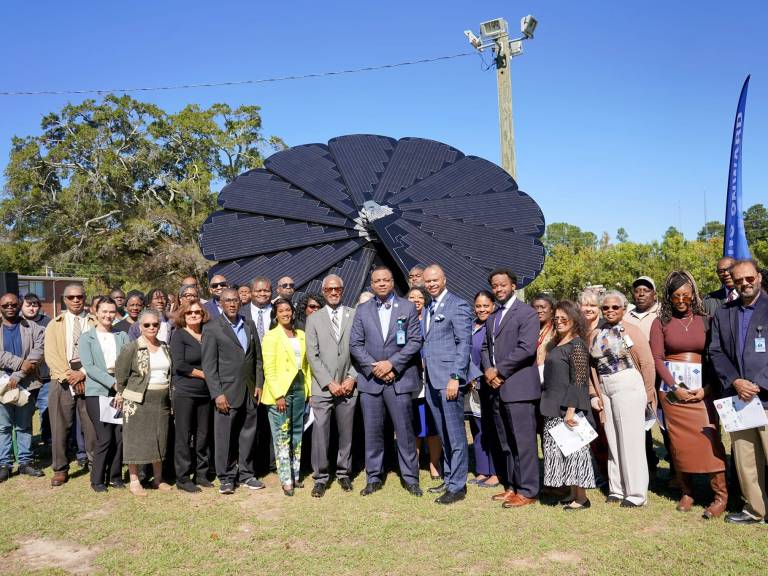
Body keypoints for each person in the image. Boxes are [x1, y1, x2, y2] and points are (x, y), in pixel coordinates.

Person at [650, 271, 728, 518]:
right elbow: (657, 359)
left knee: (710, 441)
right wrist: (675, 388)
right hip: (673, 395)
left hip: (703, 391)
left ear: (693, 294)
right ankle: (687, 491)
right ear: (669, 297)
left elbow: (715, 356)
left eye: (685, 295)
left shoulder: (706, 320)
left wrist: (707, 389)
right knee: (679, 444)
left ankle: (720, 495)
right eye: (676, 296)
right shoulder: (660, 322)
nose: (681, 300)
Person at [350, 266, 423, 497]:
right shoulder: (362, 310)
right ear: (371, 284)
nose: (381, 283)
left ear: (392, 282)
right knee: (372, 432)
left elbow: (415, 341)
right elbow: (355, 344)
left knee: (405, 431)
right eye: (377, 280)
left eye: (385, 280)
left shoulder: (408, 307)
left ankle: (410, 478)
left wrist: (392, 364)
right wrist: (377, 367)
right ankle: (373, 477)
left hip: (399, 379)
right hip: (371, 381)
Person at [710, 259, 768, 524]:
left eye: (750, 278)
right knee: (745, 458)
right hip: (738, 399)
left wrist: (758, 383)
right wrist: (735, 381)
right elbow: (716, 351)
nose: (745, 283)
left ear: (758, 276)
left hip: (764, 396)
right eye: (739, 280)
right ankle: (755, 510)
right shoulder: (724, 312)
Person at [588, 290, 656, 507]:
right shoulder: (596, 332)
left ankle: (636, 494)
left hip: (628, 384)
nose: (610, 311)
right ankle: (617, 489)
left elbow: (646, 363)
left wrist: (648, 393)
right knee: (613, 438)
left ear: (623, 309)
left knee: (631, 440)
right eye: (605, 307)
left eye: (615, 307)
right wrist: (594, 393)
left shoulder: (632, 331)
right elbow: (591, 366)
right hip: (605, 386)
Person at [480, 269, 541, 509]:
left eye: (502, 285)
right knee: (505, 442)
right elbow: (485, 347)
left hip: (519, 388)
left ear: (513, 286)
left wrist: (499, 370)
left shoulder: (526, 313)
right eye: (494, 286)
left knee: (523, 443)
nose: (498, 289)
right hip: (496, 388)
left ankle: (528, 490)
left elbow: (526, 348)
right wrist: (487, 370)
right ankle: (512, 486)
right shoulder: (493, 316)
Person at [201, 287, 264, 495]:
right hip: (226, 393)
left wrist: (259, 384)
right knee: (224, 437)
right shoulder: (212, 328)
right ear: (220, 303)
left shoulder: (249, 324)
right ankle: (226, 477)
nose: (232, 304)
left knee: (248, 435)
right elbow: (209, 367)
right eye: (227, 300)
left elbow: (257, 359)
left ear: (241, 302)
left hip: (249, 391)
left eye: (235, 300)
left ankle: (246, 474)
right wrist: (217, 393)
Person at [420, 265, 473, 504]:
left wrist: (456, 376)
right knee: (443, 435)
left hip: (449, 380)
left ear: (444, 279)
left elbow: (464, 344)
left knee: (455, 435)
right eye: (427, 281)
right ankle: (450, 477)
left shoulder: (458, 305)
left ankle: (458, 486)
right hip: (431, 380)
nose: (431, 284)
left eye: (435, 280)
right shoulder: (429, 307)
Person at [305, 275, 358, 497]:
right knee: (320, 434)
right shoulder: (314, 319)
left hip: (348, 385)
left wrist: (352, 377)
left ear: (343, 290)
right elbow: (312, 355)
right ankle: (321, 477)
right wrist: (329, 382)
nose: (334, 292)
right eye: (330, 289)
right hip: (323, 388)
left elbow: (360, 349)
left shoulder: (354, 315)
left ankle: (344, 473)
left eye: (337, 289)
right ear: (324, 291)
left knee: (346, 433)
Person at [541, 300, 596, 510]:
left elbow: (579, 380)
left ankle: (582, 498)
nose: (560, 322)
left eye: (565, 319)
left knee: (575, 453)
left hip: (568, 409)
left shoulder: (578, 345)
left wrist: (571, 410)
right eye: (556, 319)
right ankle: (572, 493)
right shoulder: (558, 343)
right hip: (552, 406)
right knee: (561, 452)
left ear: (574, 320)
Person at [114, 310, 173, 496]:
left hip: (162, 400)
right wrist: (121, 394)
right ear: (140, 327)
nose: (151, 328)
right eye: (147, 325)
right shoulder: (131, 348)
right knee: (135, 440)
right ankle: (134, 481)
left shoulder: (165, 347)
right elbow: (121, 375)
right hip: (137, 400)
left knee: (159, 438)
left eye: (155, 324)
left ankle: (158, 479)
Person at [44, 283, 97, 487]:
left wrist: (82, 374)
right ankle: (60, 469)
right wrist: (70, 376)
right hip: (62, 382)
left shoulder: (94, 322)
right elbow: (51, 355)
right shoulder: (54, 324)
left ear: (85, 298)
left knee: (91, 426)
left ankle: (95, 465)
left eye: (80, 296)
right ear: (64, 300)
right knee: (60, 428)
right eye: (71, 297)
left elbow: (98, 352)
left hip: (90, 380)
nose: (76, 300)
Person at [79, 297, 130, 492]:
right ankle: (97, 479)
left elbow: (128, 361)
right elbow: (90, 367)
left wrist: (121, 385)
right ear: (95, 312)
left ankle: (115, 476)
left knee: (118, 436)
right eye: (104, 311)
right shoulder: (87, 337)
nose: (108, 315)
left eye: (111, 311)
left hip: (119, 390)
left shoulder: (122, 335)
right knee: (104, 436)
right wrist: (113, 383)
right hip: (98, 391)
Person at [262, 298, 311, 496]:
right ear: (276, 314)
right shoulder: (271, 336)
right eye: (281, 310)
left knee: (297, 433)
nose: (285, 313)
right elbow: (269, 369)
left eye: (288, 309)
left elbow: (307, 366)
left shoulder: (301, 335)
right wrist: (278, 395)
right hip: (280, 393)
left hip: (300, 388)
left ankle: (296, 474)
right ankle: (286, 479)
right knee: (282, 435)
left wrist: (308, 390)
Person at [0, 293, 45, 481]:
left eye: (14, 304)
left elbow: (38, 352)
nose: (10, 307)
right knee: (3, 426)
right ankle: (5, 464)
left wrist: (18, 375)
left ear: (19, 305)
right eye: (5, 305)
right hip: (1, 383)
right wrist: (19, 363)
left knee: (24, 425)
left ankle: (25, 461)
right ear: (0, 307)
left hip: (26, 383)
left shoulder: (34, 328)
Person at [170, 298, 213, 492]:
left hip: (206, 393)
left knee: (203, 434)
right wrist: (203, 374)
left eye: (197, 312)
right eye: (189, 312)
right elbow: (179, 365)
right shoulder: (179, 335)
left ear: (203, 315)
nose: (194, 315)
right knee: (184, 435)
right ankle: (183, 477)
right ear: (183, 315)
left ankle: (202, 474)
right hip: (185, 392)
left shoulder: (207, 334)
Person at [623, 276, 662, 482]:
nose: (641, 293)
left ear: (654, 294)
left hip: (660, 375)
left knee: (664, 423)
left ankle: (676, 471)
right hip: (636, 376)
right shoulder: (626, 316)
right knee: (641, 424)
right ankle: (648, 463)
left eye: (646, 290)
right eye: (637, 290)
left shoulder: (663, 313)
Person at [406, 285, 442, 481]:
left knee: (432, 423)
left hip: (432, 376)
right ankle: (414, 464)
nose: (416, 300)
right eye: (412, 297)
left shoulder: (432, 318)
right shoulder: (402, 320)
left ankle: (434, 464)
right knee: (414, 424)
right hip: (411, 377)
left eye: (420, 297)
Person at [467, 290, 499, 488]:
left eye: (486, 305)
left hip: (489, 384)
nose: (482, 309)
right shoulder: (471, 326)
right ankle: (482, 470)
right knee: (477, 429)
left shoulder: (495, 326)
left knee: (492, 429)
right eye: (478, 306)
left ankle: (495, 472)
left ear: (493, 306)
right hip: (471, 386)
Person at [20, 293, 52, 447]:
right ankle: (27, 446)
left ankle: (48, 441)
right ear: (22, 306)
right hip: (24, 376)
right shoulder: (16, 321)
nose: (32, 308)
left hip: (45, 376)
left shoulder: (48, 322)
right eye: (28, 305)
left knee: (47, 410)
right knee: (26, 413)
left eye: (35, 305)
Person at [531, 293, 556, 378]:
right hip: (533, 375)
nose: (539, 311)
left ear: (551, 309)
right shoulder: (529, 329)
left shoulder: (556, 330)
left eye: (543, 307)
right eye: (536, 308)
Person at [242, 276, 273, 342]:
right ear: (250, 293)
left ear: (272, 292)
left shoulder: (280, 312)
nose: (262, 294)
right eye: (258, 291)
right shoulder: (239, 313)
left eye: (266, 291)